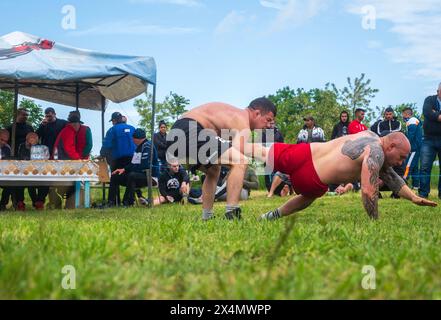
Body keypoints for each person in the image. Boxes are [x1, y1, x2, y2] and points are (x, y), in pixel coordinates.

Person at [260, 131, 437, 221]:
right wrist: (375, 222)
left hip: (308, 154)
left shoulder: (371, 136)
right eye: (401, 157)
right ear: (390, 147)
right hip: (315, 176)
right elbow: (368, 191)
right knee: (308, 197)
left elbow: (391, 177)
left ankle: (236, 146)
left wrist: (413, 197)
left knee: (261, 152)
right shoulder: (376, 151)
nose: (401, 163)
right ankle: (236, 146)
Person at [167, 97, 276, 221]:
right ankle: (232, 212)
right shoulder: (242, 119)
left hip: (177, 135)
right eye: (268, 120)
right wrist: (268, 152)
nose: (268, 125)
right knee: (240, 161)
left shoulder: (232, 117)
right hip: (189, 129)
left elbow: (228, 146)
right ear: (257, 113)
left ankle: (207, 216)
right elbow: (239, 148)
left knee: (214, 170)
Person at [51, 111, 93, 209]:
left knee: (73, 183)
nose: (79, 127)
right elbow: (69, 148)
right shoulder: (69, 131)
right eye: (79, 124)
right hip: (64, 163)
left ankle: (70, 204)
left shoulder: (66, 130)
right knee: (74, 183)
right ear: (75, 124)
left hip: (63, 161)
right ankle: (73, 205)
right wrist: (79, 159)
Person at [108, 129, 159, 207]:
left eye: (133, 138)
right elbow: (133, 164)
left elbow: (145, 165)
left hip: (150, 176)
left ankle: (128, 202)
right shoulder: (138, 148)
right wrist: (123, 169)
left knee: (132, 175)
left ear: (136, 138)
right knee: (115, 175)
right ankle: (112, 202)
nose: (132, 140)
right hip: (139, 175)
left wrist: (130, 170)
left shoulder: (148, 146)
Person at [15, 132, 49, 210]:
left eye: (35, 139)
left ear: (37, 140)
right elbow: (21, 157)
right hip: (24, 171)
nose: (33, 141)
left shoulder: (42, 147)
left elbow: (45, 159)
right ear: (27, 140)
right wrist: (29, 148)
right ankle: (20, 202)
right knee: (17, 181)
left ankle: (39, 202)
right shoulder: (22, 146)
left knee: (46, 181)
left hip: (39, 171)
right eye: (31, 139)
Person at [419, 83, 441, 199]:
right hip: (428, 139)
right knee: (424, 167)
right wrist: (437, 116)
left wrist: (434, 114)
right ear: (438, 91)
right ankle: (423, 194)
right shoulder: (429, 99)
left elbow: (432, 114)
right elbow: (427, 112)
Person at [402, 107, 423, 190]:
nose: (403, 116)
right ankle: (416, 186)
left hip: (413, 148)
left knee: (408, 165)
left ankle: (403, 183)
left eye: (403, 114)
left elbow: (411, 136)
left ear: (407, 114)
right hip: (417, 147)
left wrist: (406, 145)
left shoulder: (412, 121)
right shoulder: (414, 120)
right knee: (415, 168)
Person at [0, 129, 12, 211]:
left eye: (6, 141)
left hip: (3, 173)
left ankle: (2, 204)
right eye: (1, 140)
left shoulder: (8, 148)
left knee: (10, 183)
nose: (3, 142)